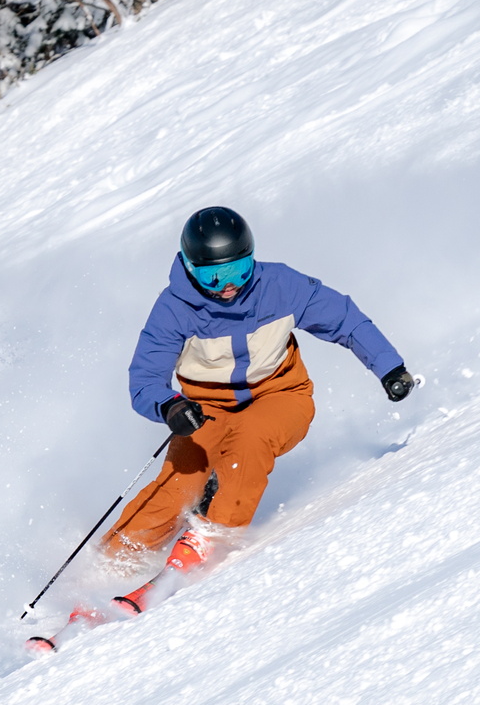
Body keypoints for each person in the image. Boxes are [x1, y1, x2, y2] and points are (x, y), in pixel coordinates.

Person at [102, 205, 415, 613]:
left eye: (238, 271)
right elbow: (144, 379)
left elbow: (345, 320)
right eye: (213, 276)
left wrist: (389, 366)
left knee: (250, 440)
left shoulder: (281, 286)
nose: (228, 286)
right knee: (177, 486)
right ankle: (110, 565)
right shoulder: (173, 309)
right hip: (206, 408)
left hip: (280, 395)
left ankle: (212, 535)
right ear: (189, 268)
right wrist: (171, 407)